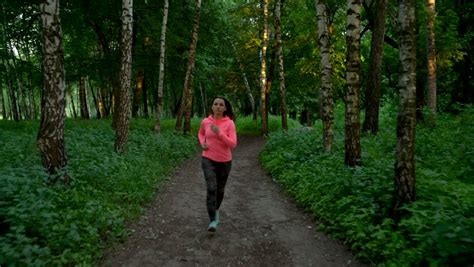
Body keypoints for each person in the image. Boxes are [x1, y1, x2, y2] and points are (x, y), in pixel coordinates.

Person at [198, 96, 237, 234]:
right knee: (211, 188)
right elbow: (201, 133)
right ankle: (212, 220)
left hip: (225, 161)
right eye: (216, 104)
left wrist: (219, 133)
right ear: (212, 107)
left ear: (225, 108)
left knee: (220, 190)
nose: (218, 106)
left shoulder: (230, 124)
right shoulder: (205, 121)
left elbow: (233, 143)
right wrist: (202, 142)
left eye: (221, 104)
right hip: (208, 159)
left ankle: (216, 210)